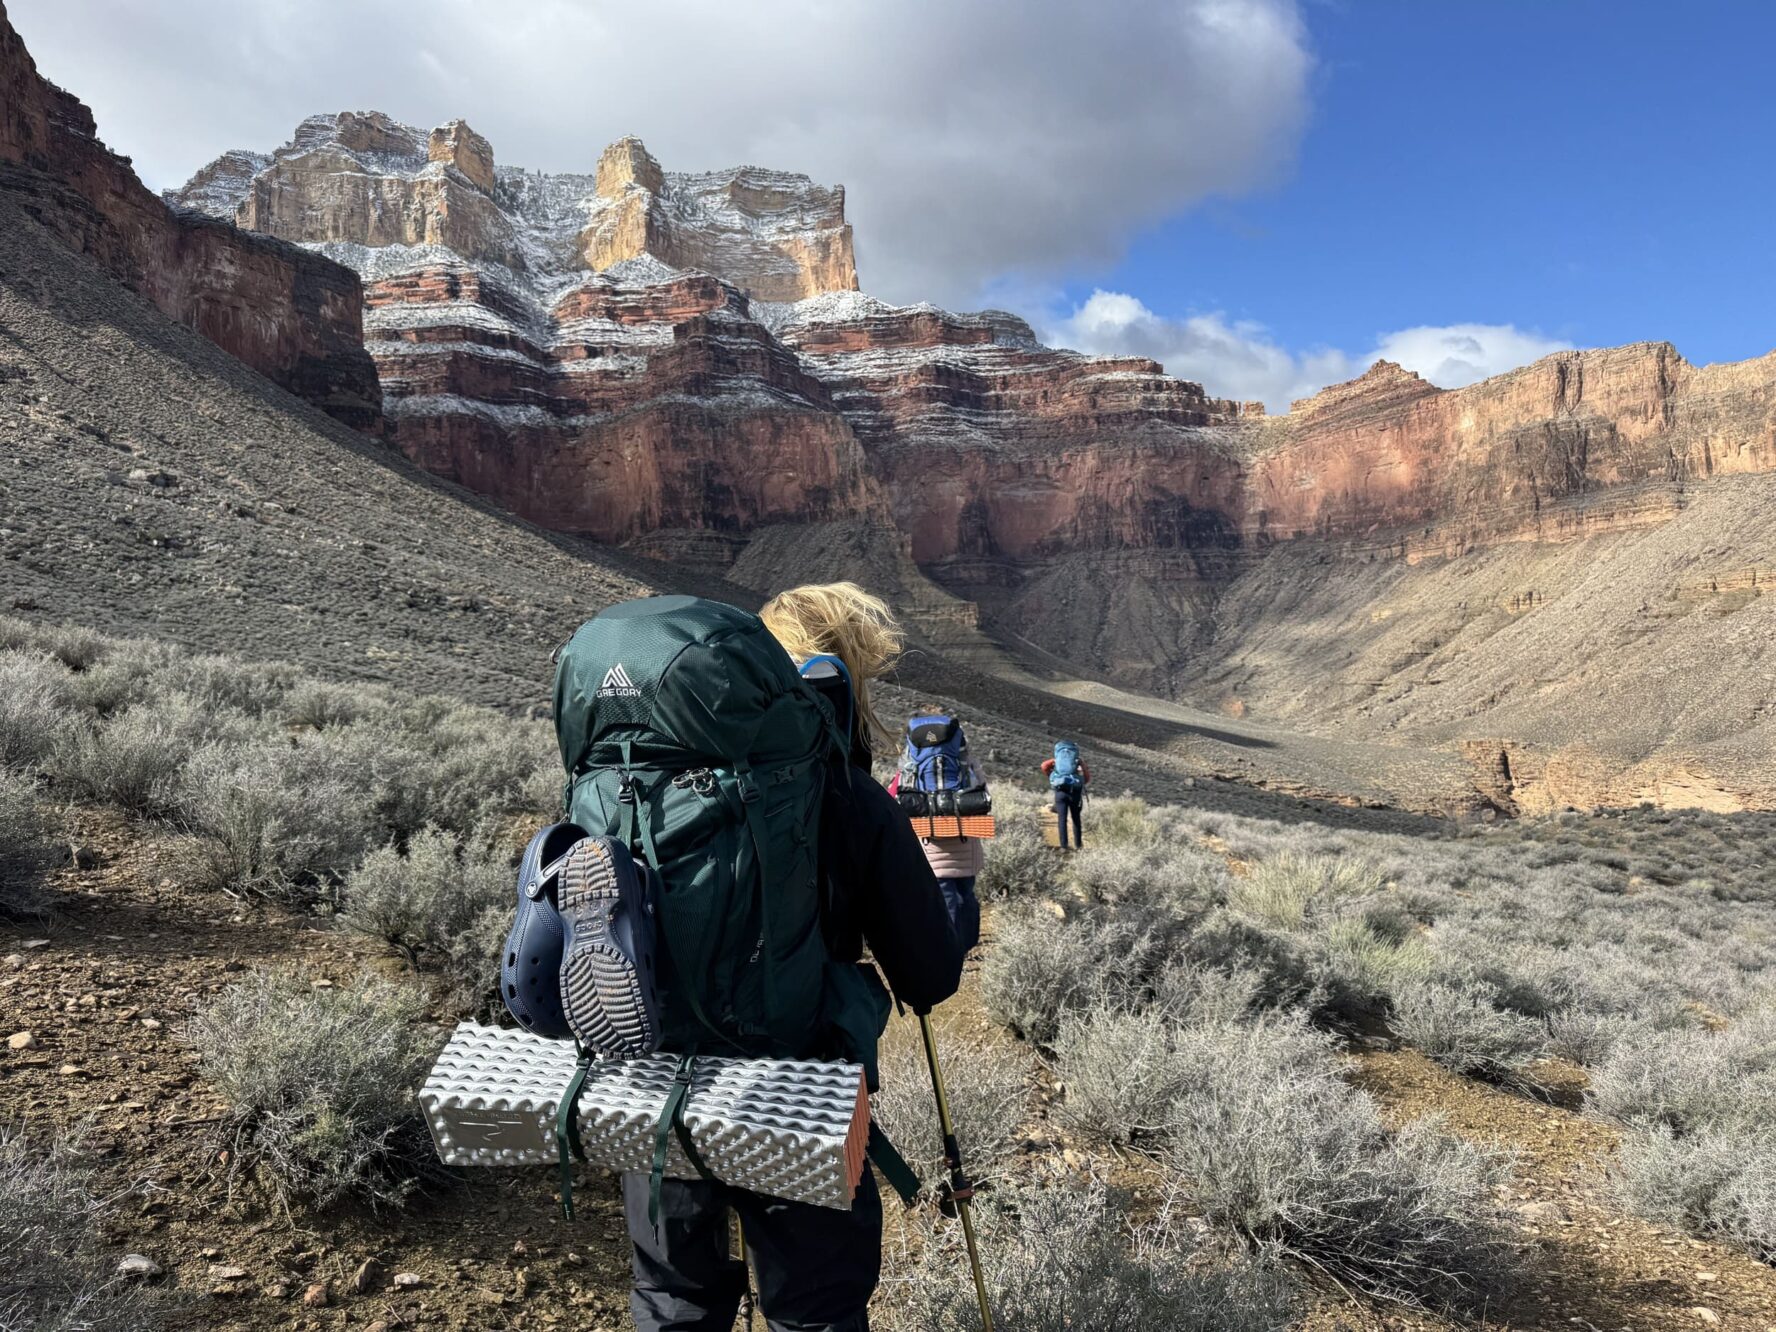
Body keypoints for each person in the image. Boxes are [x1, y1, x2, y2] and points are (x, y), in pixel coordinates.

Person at [606, 582, 958, 1332]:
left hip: (666, 1091)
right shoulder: (849, 794)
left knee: (676, 1302)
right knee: (816, 1312)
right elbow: (931, 975)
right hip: (804, 1097)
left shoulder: (651, 785)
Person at [885, 712, 985, 953]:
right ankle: (966, 943)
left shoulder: (910, 765)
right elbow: (982, 790)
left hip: (929, 838)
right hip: (964, 835)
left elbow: (892, 796)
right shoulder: (965, 763)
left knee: (944, 894)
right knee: (966, 893)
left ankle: (950, 950)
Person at [1042, 739, 1091, 850]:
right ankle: (1078, 846)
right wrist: (1079, 776)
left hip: (1060, 792)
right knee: (1076, 819)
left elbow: (1044, 766)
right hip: (1075, 794)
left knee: (1062, 819)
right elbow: (1087, 778)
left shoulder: (1056, 761)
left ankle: (1064, 846)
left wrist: (1052, 775)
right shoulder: (1078, 762)